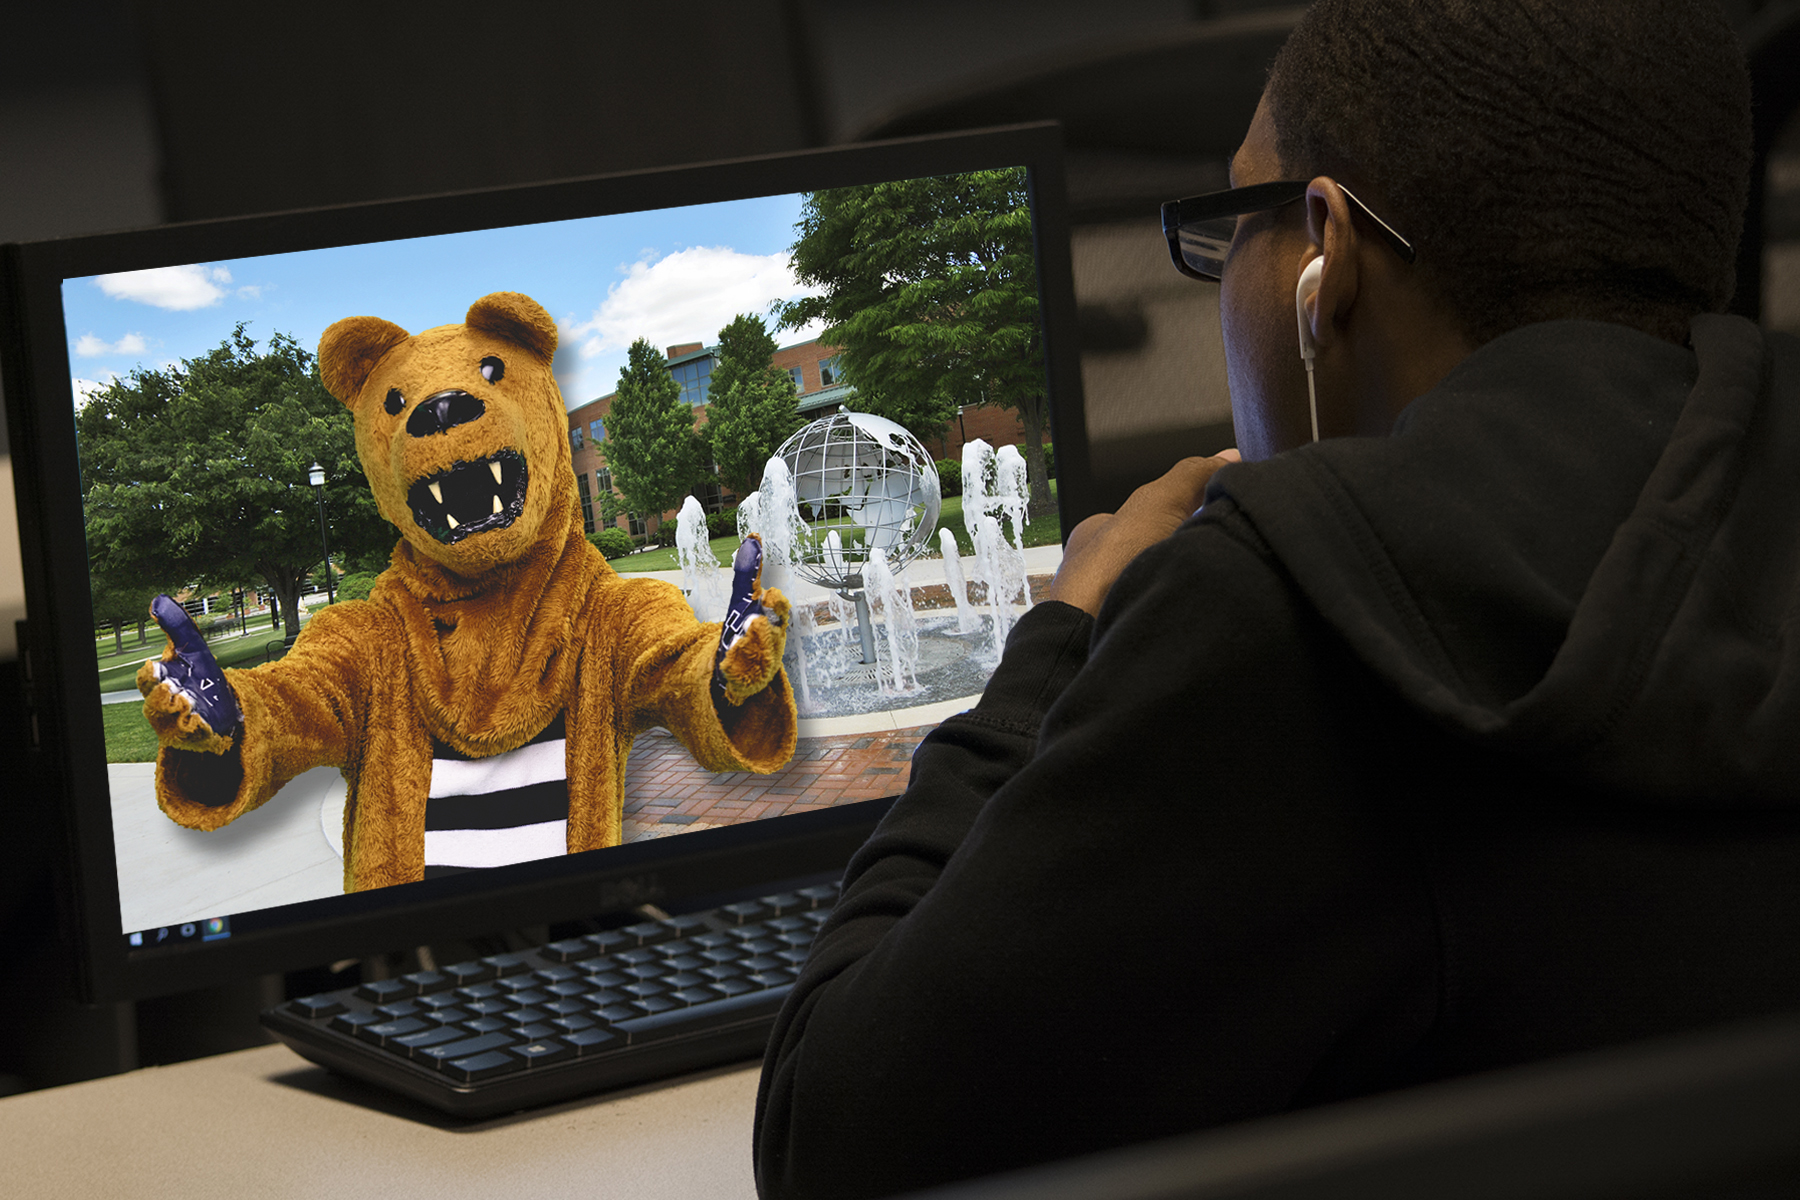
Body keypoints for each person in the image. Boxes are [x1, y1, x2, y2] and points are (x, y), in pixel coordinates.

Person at [754, 2, 1800, 1196]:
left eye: (1229, 226)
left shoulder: (1281, 617)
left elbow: (831, 1137)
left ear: (1323, 254)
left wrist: (1057, 644)